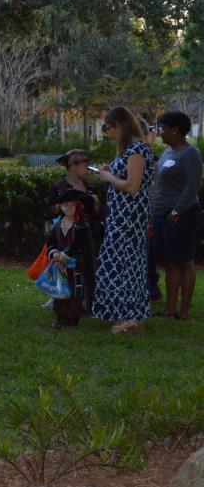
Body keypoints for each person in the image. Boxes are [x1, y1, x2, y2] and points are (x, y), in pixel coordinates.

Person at [92, 106, 155, 334]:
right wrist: (110, 170)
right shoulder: (128, 149)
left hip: (129, 216)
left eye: (111, 127)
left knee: (125, 262)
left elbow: (132, 186)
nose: (109, 132)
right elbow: (127, 176)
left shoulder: (137, 148)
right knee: (117, 262)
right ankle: (125, 315)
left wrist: (109, 177)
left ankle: (131, 317)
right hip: (120, 214)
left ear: (123, 125)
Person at [150, 111, 201, 320]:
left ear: (175, 130)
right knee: (170, 261)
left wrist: (176, 210)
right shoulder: (166, 153)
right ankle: (170, 308)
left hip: (182, 215)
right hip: (162, 215)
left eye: (162, 128)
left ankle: (184, 310)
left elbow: (192, 185)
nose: (160, 132)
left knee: (184, 261)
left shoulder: (190, 153)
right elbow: (158, 183)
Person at [46, 189, 97, 328]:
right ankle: (60, 315)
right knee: (59, 291)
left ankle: (71, 318)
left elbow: (78, 245)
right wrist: (53, 253)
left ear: (80, 207)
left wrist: (67, 254)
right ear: (61, 206)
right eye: (65, 205)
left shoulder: (81, 227)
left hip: (76, 267)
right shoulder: (57, 225)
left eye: (73, 205)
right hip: (60, 266)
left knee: (75, 292)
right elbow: (51, 243)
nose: (69, 208)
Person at [46, 149, 103, 241]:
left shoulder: (90, 188)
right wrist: (61, 206)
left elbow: (97, 216)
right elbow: (48, 212)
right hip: (66, 238)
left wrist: (97, 205)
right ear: (73, 168)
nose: (89, 169)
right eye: (86, 166)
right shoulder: (59, 188)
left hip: (88, 239)